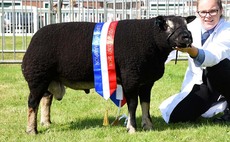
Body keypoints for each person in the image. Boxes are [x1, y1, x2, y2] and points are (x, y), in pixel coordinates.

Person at [160, 0, 230, 123]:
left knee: (219, 66)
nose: (207, 16)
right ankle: (220, 101)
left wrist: (192, 51)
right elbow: (164, 50)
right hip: (202, 83)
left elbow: (214, 56)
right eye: (203, 12)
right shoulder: (188, 27)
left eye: (213, 11)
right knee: (176, 118)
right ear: (197, 12)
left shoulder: (227, 30)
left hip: (224, 78)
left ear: (221, 11)